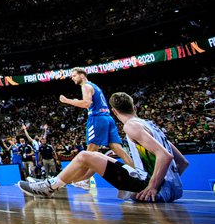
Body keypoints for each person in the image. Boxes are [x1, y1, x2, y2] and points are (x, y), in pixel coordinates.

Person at [18, 92, 189, 202]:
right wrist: (166, 184)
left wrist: (152, 186)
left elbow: (165, 156)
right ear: (134, 107)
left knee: (85, 155)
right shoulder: (151, 126)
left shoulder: (131, 126)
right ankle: (53, 183)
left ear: (114, 112)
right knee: (93, 158)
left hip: (153, 189)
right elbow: (182, 163)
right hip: (169, 189)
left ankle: (49, 188)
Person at [59, 67, 133, 188]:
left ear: (82, 76)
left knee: (89, 153)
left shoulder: (86, 86)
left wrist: (68, 101)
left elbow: (87, 103)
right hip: (108, 118)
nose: (72, 78)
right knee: (118, 148)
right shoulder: (95, 86)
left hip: (97, 118)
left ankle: (85, 180)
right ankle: (136, 172)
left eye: (74, 76)